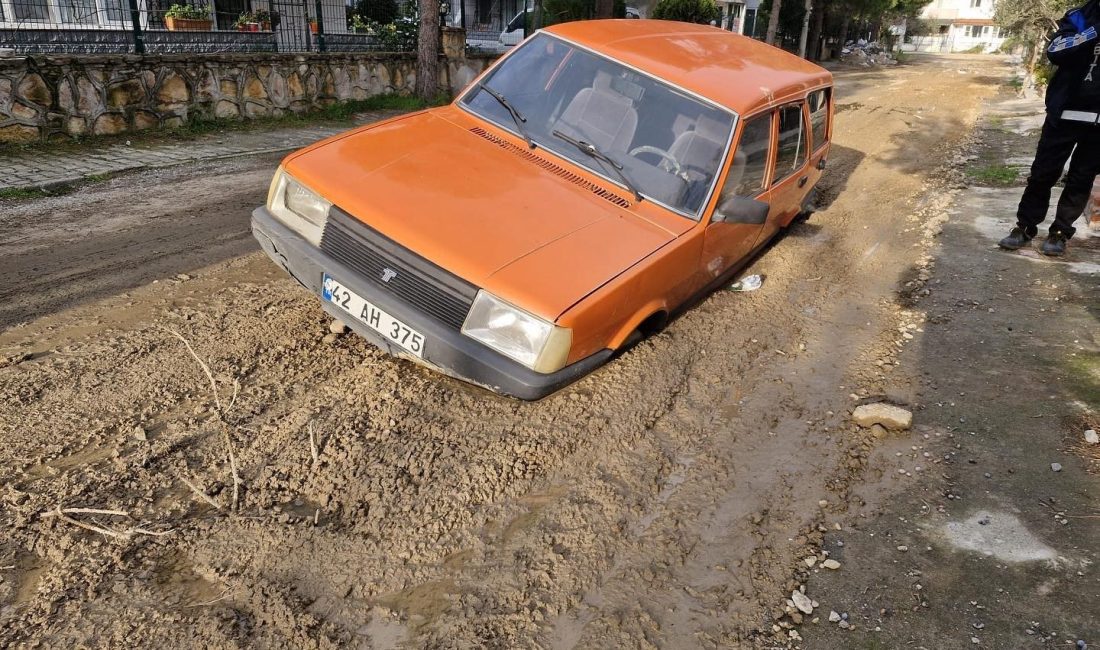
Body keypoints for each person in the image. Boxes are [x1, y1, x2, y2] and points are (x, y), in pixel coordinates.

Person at [999, 0, 1100, 256]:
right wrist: (1095, 31)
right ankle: (1025, 227)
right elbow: (1055, 50)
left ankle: (1060, 233)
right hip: (1064, 113)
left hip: (1098, 123)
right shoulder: (1078, 17)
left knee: (1081, 179)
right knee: (1043, 173)